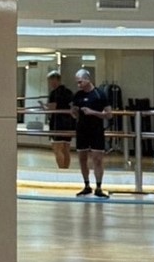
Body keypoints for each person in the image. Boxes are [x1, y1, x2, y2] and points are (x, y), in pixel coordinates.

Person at [72, 68, 112, 197]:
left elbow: (109, 114)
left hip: (96, 130)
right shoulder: (78, 95)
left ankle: (99, 187)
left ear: (87, 79)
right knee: (82, 159)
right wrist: (74, 112)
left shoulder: (99, 94)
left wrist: (93, 112)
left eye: (80, 82)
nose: (79, 85)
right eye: (77, 83)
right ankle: (86, 185)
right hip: (82, 130)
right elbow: (74, 113)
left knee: (97, 159)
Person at [45, 71, 74, 170]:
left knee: (57, 149)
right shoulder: (69, 92)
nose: (50, 83)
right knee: (66, 149)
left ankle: (62, 170)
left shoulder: (54, 93)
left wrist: (44, 107)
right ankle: (66, 170)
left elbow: (52, 108)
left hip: (57, 123)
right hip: (68, 123)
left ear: (55, 80)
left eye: (50, 81)